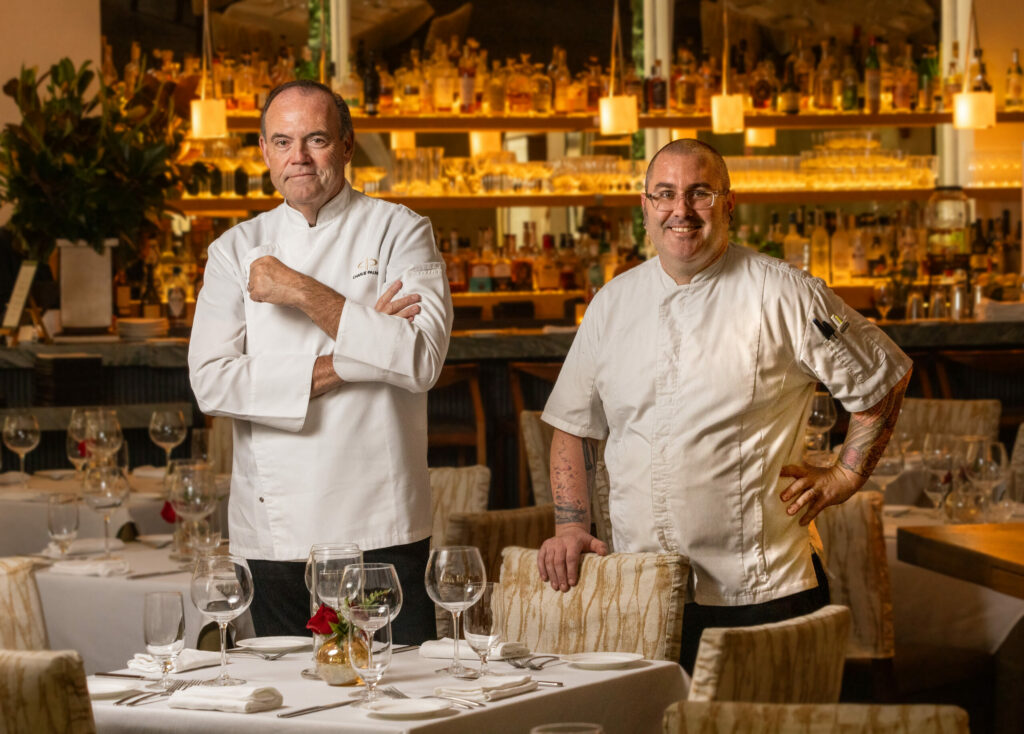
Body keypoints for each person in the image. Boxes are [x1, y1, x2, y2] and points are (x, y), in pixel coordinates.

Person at [537, 139, 911, 672]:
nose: (681, 211)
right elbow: (572, 425)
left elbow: (882, 377)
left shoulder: (785, 293)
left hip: (762, 592)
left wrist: (846, 476)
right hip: (638, 592)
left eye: (700, 193)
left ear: (729, 204)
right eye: (664, 194)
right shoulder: (611, 303)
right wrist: (572, 526)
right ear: (644, 207)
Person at [188, 80, 453, 644]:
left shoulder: (400, 230)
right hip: (273, 532)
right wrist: (360, 353)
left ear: (348, 144)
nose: (299, 158)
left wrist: (300, 290)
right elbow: (211, 383)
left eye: (316, 139)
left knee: (392, 693)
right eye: (282, 142)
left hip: (378, 523)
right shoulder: (234, 250)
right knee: (291, 703)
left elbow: (420, 358)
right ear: (263, 151)